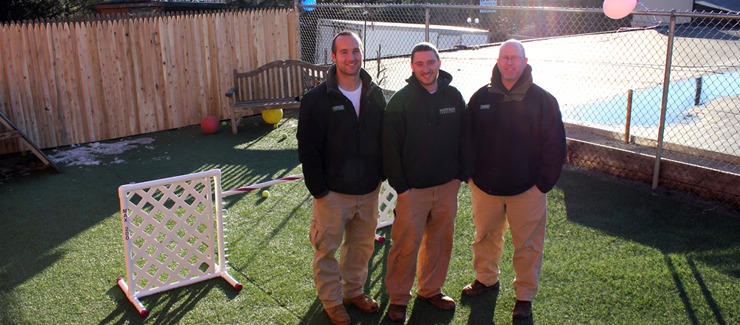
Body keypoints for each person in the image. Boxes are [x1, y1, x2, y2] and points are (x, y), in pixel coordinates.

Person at [463, 39, 566, 320]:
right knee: (485, 237)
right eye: (504, 57)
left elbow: (555, 145)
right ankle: (486, 279)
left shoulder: (543, 100)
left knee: (528, 245)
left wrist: (543, 184)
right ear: (498, 61)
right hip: (485, 187)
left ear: (525, 61)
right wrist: (471, 175)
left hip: (528, 190)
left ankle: (524, 295)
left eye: (514, 58)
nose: (509, 63)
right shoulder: (480, 97)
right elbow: (467, 139)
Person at [296, 30, 387, 325]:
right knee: (326, 251)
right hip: (332, 193)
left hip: (368, 190)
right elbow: (307, 147)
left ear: (362, 53)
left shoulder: (376, 94)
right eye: (344, 52)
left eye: (356, 51)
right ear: (333, 57)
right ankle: (332, 301)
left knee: (361, 247)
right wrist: (320, 190)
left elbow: (384, 138)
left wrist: (380, 175)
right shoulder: (316, 99)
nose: (351, 57)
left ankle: (354, 292)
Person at [382, 42, 471, 323]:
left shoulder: (454, 97)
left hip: (447, 187)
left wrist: (460, 176)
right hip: (413, 191)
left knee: (440, 242)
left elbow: (466, 139)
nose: (425, 68)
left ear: (439, 63)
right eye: (419, 64)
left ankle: (430, 289)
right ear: (411, 66)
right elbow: (389, 147)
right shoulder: (401, 100)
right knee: (405, 245)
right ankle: (398, 298)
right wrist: (402, 188)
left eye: (430, 62)